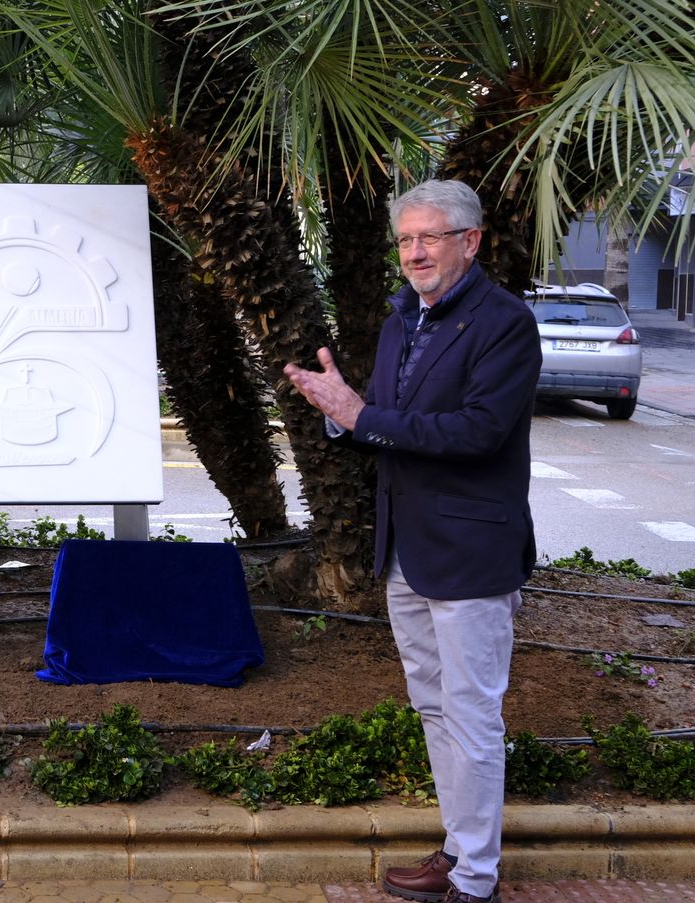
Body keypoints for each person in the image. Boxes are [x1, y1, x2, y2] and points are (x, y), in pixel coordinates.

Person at [283, 179, 539, 903]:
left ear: (472, 240)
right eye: (405, 239)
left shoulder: (504, 323)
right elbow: (388, 421)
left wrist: (361, 414)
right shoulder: (403, 318)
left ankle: (477, 878)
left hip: (471, 554)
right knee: (434, 708)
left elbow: (478, 432)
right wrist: (342, 412)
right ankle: (458, 852)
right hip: (406, 550)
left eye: (431, 236)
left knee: (473, 714)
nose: (415, 251)